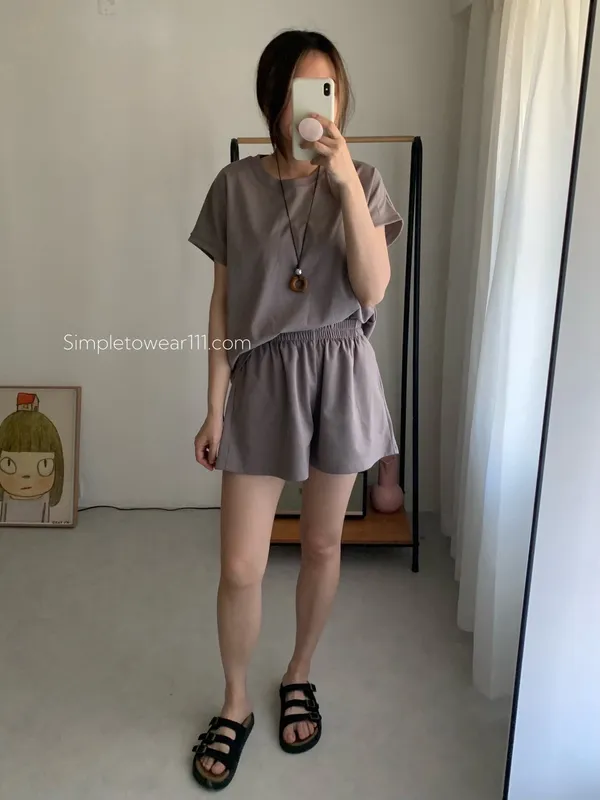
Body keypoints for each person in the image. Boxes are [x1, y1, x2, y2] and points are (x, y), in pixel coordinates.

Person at [189, 29, 403, 791]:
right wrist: (214, 408)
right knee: (240, 565)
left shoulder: (364, 179)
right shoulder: (234, 185)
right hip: (262, 376)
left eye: (328, 89)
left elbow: (372, 290)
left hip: (341, 371)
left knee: (321, 545)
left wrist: (342, 181)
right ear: (273, 100)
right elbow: (223, 306)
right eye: (299, 91)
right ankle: (236, 701)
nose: (315, 106)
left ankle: (299, 672)